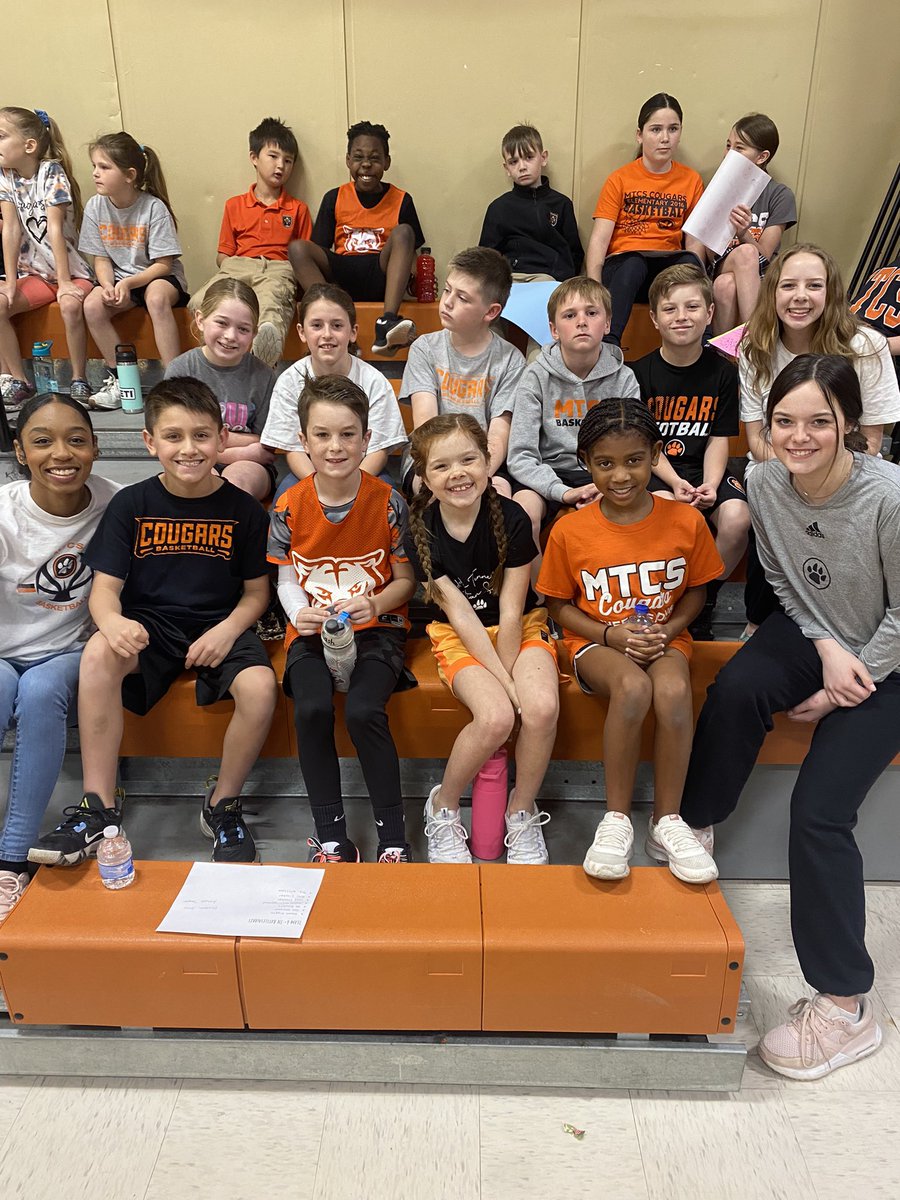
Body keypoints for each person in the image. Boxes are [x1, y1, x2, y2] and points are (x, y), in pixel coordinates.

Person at [678, 354, 900, 1080]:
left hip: (892, 655)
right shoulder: (768, 479)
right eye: (783, 422)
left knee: (820, 811)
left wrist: (846, 684)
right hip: (821, 633)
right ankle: (695, 821)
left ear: (850, 426)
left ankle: (846, 1005)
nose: (798, 437)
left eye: (818, 422)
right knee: (737, 689)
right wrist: (825, 649)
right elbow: (777, 574)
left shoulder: (889, 497)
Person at [28, 377, 278, 867]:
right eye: (174, 436)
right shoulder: (132, 505)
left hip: (220, 623)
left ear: (223, 439)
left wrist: (227, 630)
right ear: (149, 442)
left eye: (202, 435)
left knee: (261, 688)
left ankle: (221, 804)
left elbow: (256, 594)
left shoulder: (244, 511)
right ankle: (98, 806)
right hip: (151, 626)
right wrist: (113, 623)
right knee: (99, 651)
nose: (189, 449)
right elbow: (104, 589)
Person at [537, 397, 722, 884]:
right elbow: (557, 606)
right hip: (595, 642)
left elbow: (697, 592)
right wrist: (609, 634)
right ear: (585, 464)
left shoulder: (685, 521)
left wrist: (670, 630)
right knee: (634, 688)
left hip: (664, 636)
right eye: (605, 463)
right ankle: (615, 818)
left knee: (675, 690)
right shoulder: (570, 530)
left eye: (634, 461)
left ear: (656, 456)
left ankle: (667, 821)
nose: (620, 476)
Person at [268, 373, 416, 863]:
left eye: (348, 434)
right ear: (303, 440)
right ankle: (331, 834)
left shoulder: (389, 502)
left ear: (367, 439)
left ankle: (392, 837)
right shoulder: (288, 505)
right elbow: (287, 578)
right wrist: (300, 613)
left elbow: (405, 582)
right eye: (323, 435)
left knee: (362, 711)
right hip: (310, 630)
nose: (336, 446)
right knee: (310, 709)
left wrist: (376, 604)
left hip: (379, 628)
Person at [406, 414, 559, 865]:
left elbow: (511, 612)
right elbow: (460, 613)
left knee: (542, 708)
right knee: (495, 718)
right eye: (441, 466)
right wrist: (507, 688)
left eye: (468, 459)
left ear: (488, 461)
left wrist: (517, 684)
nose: (457, 474)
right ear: (424, 476)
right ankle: (444, 806)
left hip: (520, 625)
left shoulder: (510, 517)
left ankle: (521, 812)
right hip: (459, 633)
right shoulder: (420, 529)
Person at [738, 244, 900, 634]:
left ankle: (859, 627)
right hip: (776, 469)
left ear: (831, 294)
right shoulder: (753, 347)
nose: (800, 297)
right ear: (772, 291)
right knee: (773, 502)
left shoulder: (866, 346)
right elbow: (759, 441)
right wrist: (797, 473)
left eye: (814, 285)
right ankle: (757, 622)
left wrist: (817, 476)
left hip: (850, 474)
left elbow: (871, 442)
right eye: (788, 285)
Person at [0, 394, 117, 919]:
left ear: (95, 446)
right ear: (21, 453)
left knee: (42, 692)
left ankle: (12, 860)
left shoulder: (117, 504)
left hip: (68, 651)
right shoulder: (6, 510)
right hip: (2, 653)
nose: (60, 453)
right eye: (42, 441)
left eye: (75, 439)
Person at [633, 263, 749, 637]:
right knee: (672, 512)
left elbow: (719, 437)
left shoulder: (725, 373)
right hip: (657, 471)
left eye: (692, 307)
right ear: (654, 318)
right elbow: (644, 445)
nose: (681, 317)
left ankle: (703, 597)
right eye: (670, 309)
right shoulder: (637, 373)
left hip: (707, 468)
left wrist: (713, 485)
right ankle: (668, 599)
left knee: (736, 519)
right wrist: (674, 480)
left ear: (710, 313)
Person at [507, 277, 640, 547]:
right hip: (548, 471)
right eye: (570, 315)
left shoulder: (624, 379)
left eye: (591, 313)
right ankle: (539, 591)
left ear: (607, 324)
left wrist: (607, 482)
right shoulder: (535, 376)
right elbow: (521, 454)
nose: (582, 321)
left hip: (606, 471)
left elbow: (635, 448)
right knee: (522, 512)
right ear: (554, 330)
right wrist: (561, 492)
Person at [289, 121, 425, 355]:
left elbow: (411, 253)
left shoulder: (402, 199)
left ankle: (387, 324)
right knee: (297, 248)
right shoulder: (335, 197)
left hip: (381, 272)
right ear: (348, 160)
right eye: (359, 157)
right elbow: (320, 249)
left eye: (374, 158)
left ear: (387, 162)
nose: (366, 165)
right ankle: (334, 321)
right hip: (341, 275)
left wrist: (416, 282)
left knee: (404, 232)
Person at [260, 282, 407, 497]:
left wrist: (348, 486)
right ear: (301, 332)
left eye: (337, 326)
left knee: (386, 499)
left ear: (353, 332)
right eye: (316, 325)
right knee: (287, 498)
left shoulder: (373, 381)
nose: (327, 334)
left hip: (363, 470)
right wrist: (320, 485)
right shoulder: (289, 381)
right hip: (309, 472)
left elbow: (379, 449)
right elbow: (294, 448)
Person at [400, 247, 524, 497]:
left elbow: (499, 434)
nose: (447, 302)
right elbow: (426, 426)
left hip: (485, 462)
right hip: (429, 458)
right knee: (431, 493)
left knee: (500, 497)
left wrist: (475, 475)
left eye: (463, 298)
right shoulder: (425, 349)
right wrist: (447, 475)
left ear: (491, 312)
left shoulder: (511, 361)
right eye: (447, 290)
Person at [78, 131, 189, 407]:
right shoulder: (95, 206)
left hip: (157, 275)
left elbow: (163, 264)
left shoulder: (153, 208)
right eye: (94, 166)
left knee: (156, 297)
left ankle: (173, 382)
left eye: (104, 167)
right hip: (118, 278)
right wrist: (107, 286)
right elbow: (100, 258)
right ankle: (122, 380)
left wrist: (128, 284)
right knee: (92, 306)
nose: (95, 174)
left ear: (129, 175)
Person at [189, 118, 311, 368]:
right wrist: (235, 270)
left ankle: (262, 362)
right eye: (274, 157)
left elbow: (303, 259)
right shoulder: (234, 205)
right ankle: (218, 358)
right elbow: (223, 255)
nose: (281, 166)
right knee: (199, 301)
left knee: (270, 308)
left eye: (288, 161)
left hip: (277, 269)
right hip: (236, 266)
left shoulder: (297, 209)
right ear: (254, 157)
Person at [585, 93, 704, 346]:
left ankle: (703, 341)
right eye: (656, 129)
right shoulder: (620, 179)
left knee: (687, 260)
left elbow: (694, 242)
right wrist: (594, 289)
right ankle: (609, 344)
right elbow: (599, 240)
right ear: (640, 135)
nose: (664, 138)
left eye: (673, 129)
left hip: (667, 271)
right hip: (625, 269)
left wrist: (702, 283)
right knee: (635, 263)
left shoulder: (691, 180)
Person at [0, 107, 93, 409]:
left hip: (72, 270)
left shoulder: (51, 171)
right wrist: (12, 282)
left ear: (29, 146)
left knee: (69, 305)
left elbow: (53, 229)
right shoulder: (6, 177)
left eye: (1, 137)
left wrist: (66, 282)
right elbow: (11, 229)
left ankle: (79, 377)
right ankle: (18, 381)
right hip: (37, 274)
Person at [165, 279, 276, 501]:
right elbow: (177, 438)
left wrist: (208, 439)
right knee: (198, 482)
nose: (231, 336)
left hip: (250, 465)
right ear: (200, 320)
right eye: (222, 323)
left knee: (236, 487)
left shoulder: (264, 376)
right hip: (191, 458)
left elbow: (266, 444)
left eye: (243, 329)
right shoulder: (181, 370)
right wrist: (242, 448)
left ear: (254, 333)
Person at [704, 114, 796, 335]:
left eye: (739, 148)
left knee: (725, 286)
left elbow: (764, 253)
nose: (729, 154)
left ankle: (725, 357)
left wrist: (744, 233)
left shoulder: (779, 194)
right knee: (743, 256)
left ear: (762, 156)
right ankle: (757, 342)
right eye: (728, 146)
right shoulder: (719, 188)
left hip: (761, 270)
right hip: (721, 261)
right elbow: (708, 252)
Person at [479, 124, 583, 282]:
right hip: (512, 279)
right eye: (514, 162)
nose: (522, 167)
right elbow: (486, 258)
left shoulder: (561, 204)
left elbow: (574, 252)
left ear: (543, 158)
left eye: (528, 157)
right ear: (506, 168)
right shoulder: (499, 208)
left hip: (551, 279)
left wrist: (563, 279)